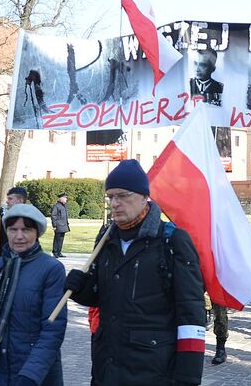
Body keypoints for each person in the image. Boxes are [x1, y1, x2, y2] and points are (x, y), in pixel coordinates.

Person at [65, 160, 205, 384]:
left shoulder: (172, 241)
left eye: (122, 196)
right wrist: (79, 288)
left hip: (152, 370)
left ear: (143, 196)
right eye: (110, 197)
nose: (115, 203)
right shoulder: (106, 239)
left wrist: (188, 376)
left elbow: (191, 313)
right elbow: (99, 295)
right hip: (107, 367)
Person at [0, 204, 67, 385]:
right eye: (13, 230)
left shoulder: (51, 269)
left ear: (37, 232)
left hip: (32, 373)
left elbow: (53, 330)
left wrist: (31, 375)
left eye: (26, 229)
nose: (19, 236)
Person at [50, 192, 70, 258]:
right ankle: (55, 252)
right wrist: (54, 225)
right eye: (65, 198)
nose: (66, 199)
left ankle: (59, 252)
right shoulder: (56, 206)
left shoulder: (64, 206)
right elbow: (53, 216)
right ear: (61, 199)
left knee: (61, 239)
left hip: (63, 225)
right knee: (57, 239)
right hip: (58, 225)